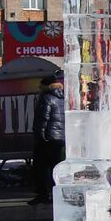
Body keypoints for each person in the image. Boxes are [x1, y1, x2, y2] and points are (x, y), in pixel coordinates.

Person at [29, 72, 65, 205]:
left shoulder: (46, 98)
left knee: (40, 167)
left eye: (40, 86)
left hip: (47, 139)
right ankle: (58, 195)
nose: (39, 89)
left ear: (45, 86)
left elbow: (42, 119)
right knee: (56, 167)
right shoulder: (62, 98)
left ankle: (42, 195)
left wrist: (39, 135)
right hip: (59, 139)